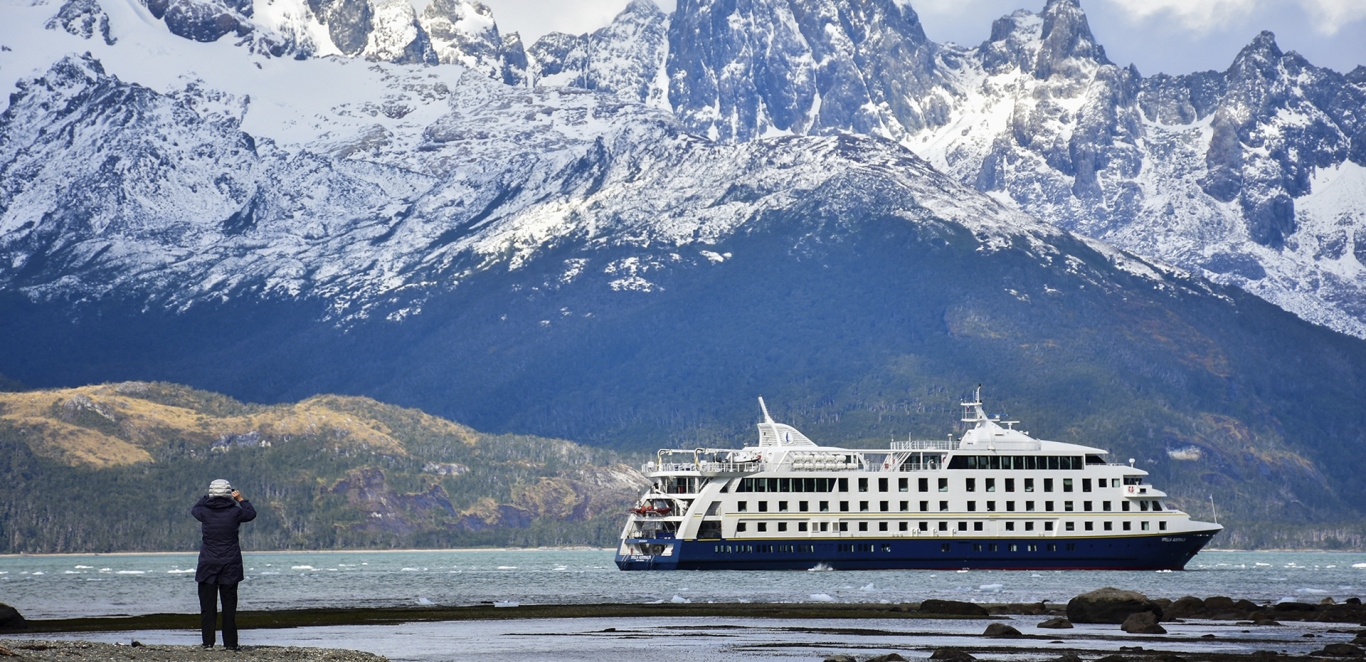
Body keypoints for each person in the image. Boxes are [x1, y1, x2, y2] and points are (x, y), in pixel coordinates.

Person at [191, 479, 256, 651]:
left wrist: (207, 497)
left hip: (207, 565)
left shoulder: (203, 511)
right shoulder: (235, 512)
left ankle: (208, 643)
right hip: (230, 564)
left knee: (207, 607)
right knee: (229, 608)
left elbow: (194, 509)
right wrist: (241, 499)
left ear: (212, 493)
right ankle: (230, 644)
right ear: (229, 493)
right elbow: (251, 513)